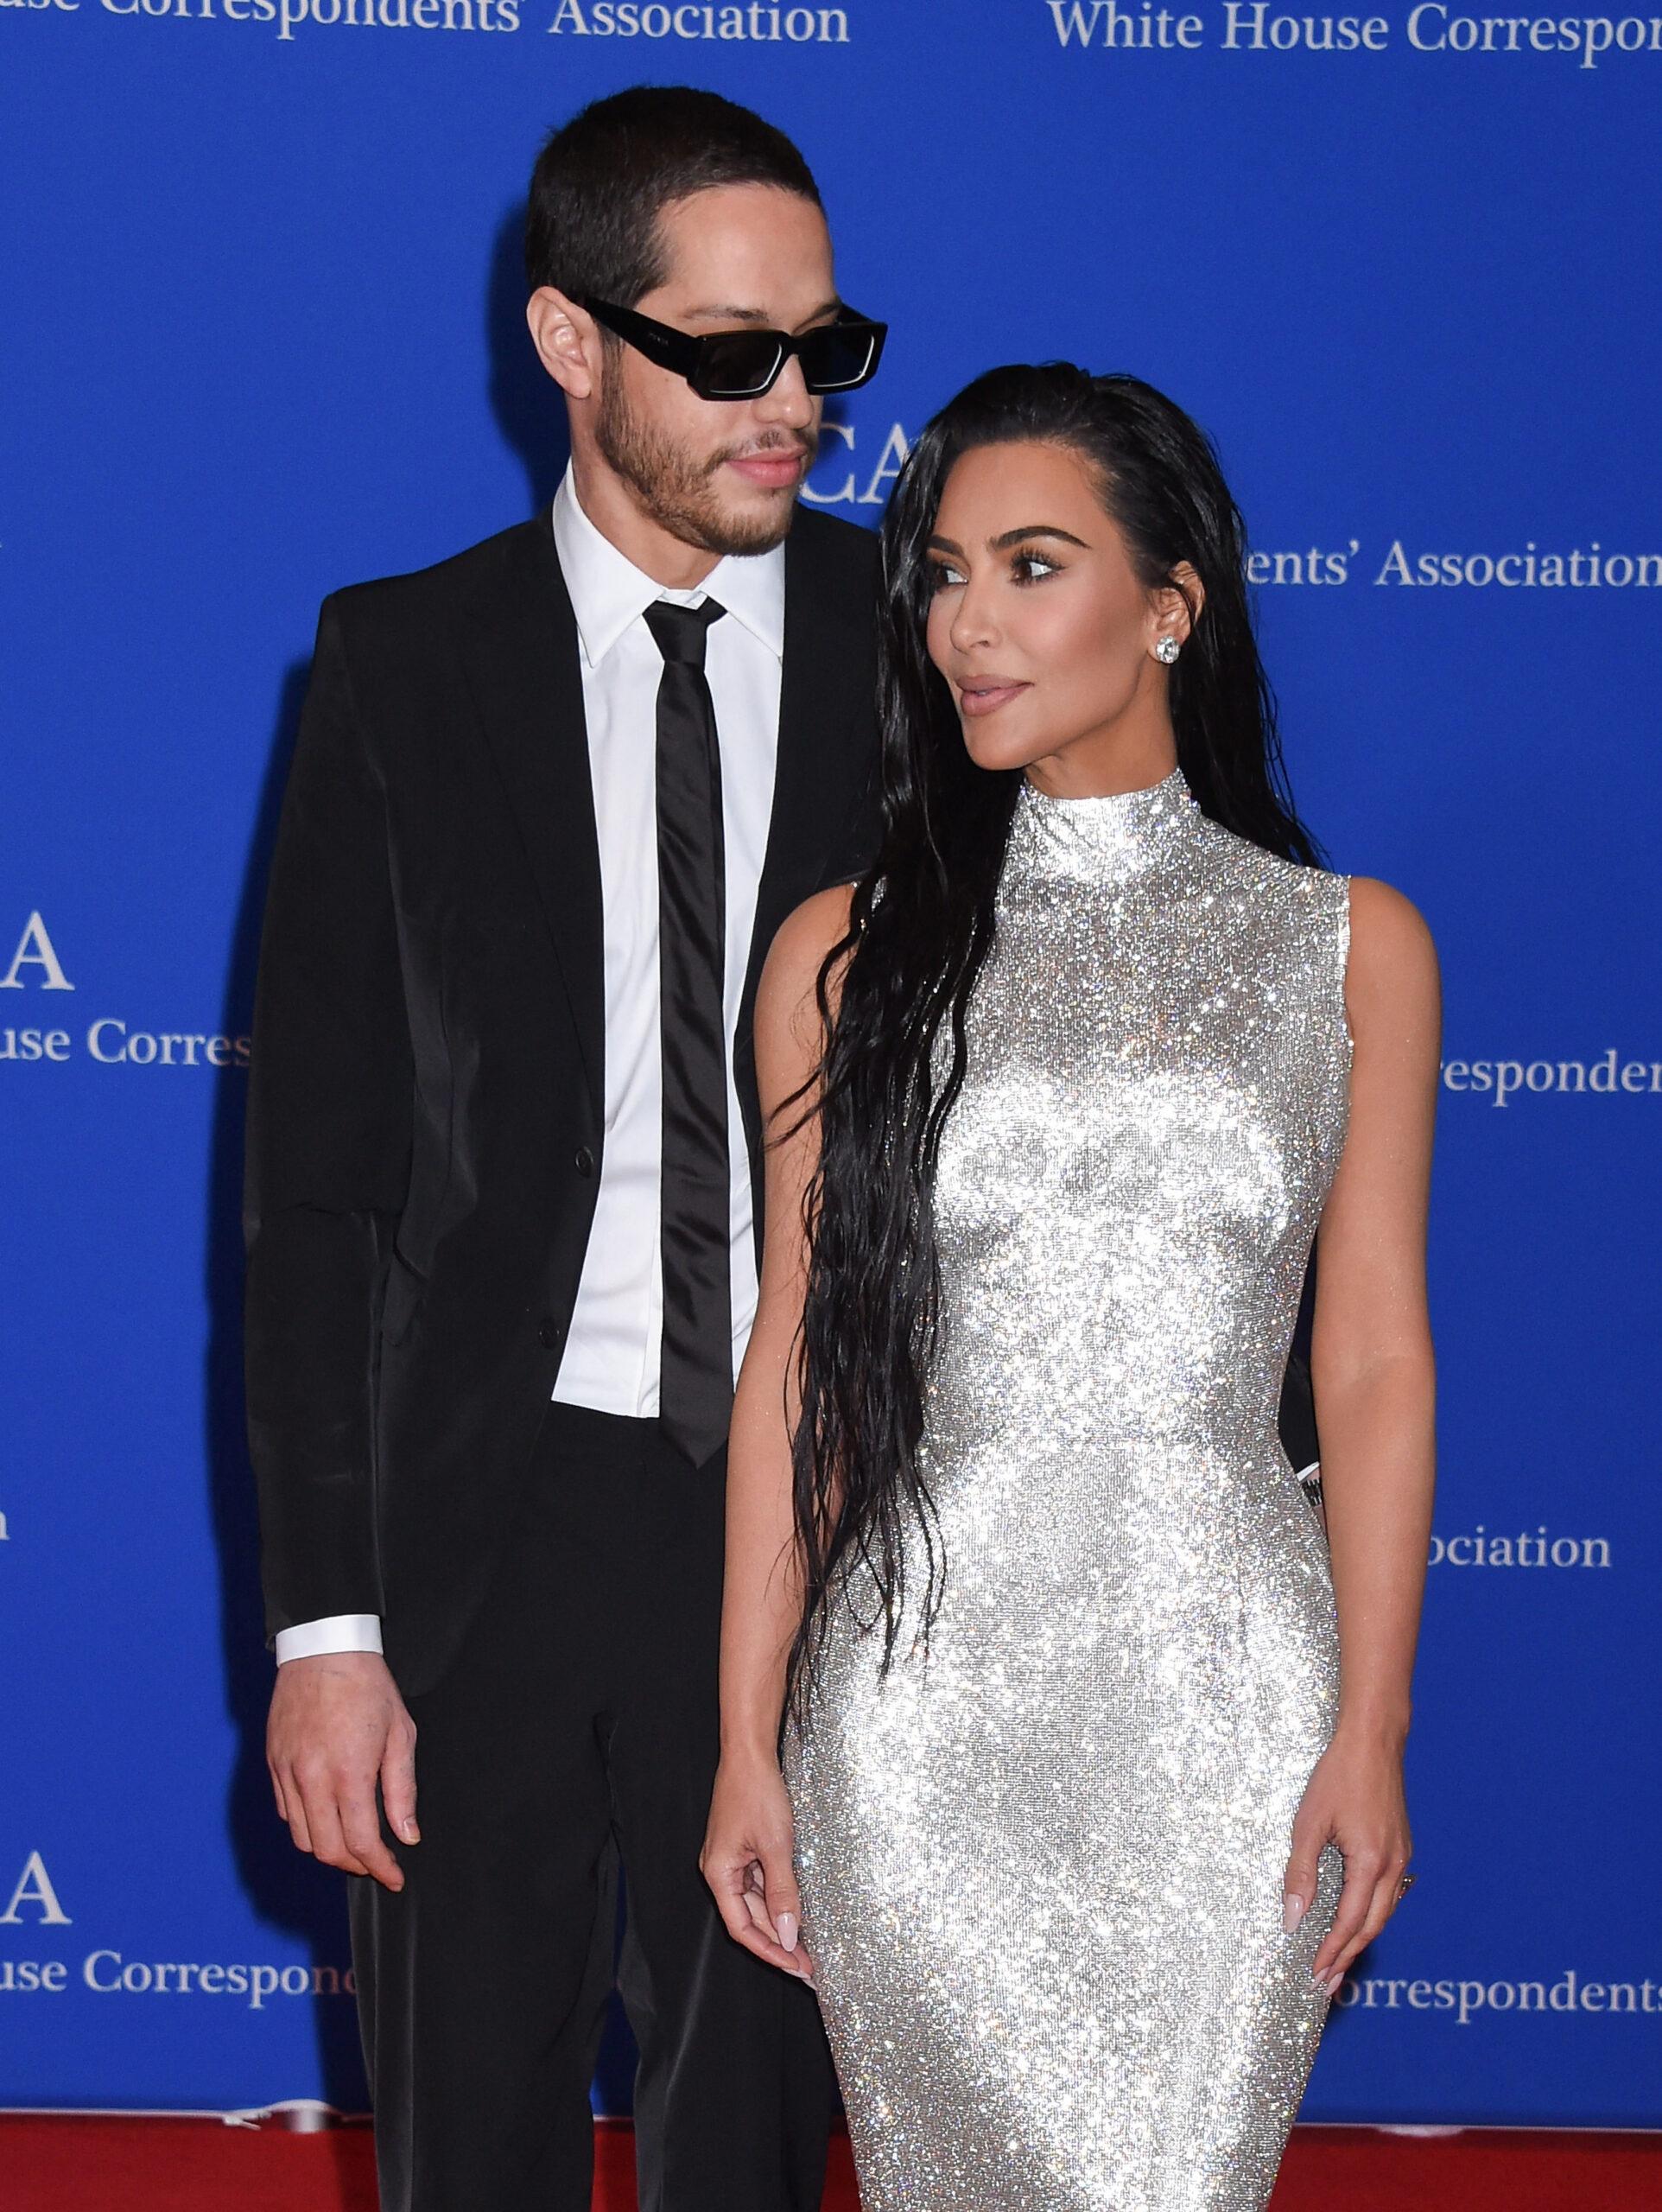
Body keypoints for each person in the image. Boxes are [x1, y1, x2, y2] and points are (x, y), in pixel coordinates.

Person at [244, 86, 890, 2212]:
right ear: (568, 343)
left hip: (802, 1520)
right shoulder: (398, 666)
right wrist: (323, 1627)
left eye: (823, 347)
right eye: (726, 353)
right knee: (465, 2147)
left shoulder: (930, 658)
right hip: (483, 1536)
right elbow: (317, 1185)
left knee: (750, 2144)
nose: (789, 403)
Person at [702, 365, 1439, 2211]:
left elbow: (1363, 1360)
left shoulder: (1343, 946)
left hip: (1226, 1713)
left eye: (1030, 565)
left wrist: (1369, 1725)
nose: (966, 622)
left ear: (1169, 601)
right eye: (941, 572)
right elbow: (796, 1367)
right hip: (919, 1709)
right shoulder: (845, 954)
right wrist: (744, 1735)